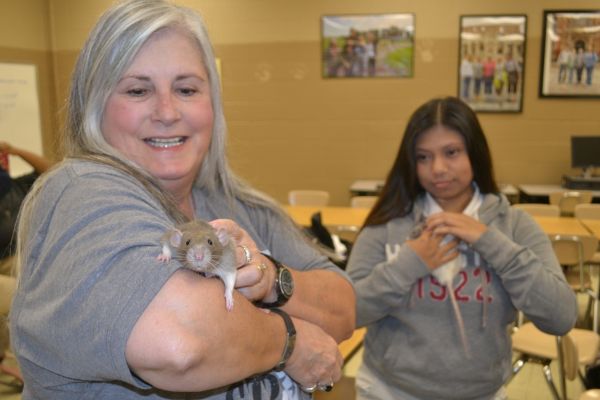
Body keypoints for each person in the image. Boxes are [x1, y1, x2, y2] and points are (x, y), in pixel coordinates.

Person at [9, 0, 356, 399]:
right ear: (94, 105)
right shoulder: (79, 191)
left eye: (186, 89)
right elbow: (180, 344)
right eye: (138, 90)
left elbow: (344, 309)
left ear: (212, 103)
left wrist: (268, 280)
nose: (167, 111)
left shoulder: (238, 203)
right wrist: (290, 343)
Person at [346, 96, 577, 400]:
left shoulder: (514, 226)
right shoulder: (389, 223)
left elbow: (561, 316)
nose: (438, 168)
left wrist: (490, 242)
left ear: (475, 153)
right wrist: (408, 265)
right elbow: (348, 313)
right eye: (423, 157)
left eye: (451, 152)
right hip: (388, 391)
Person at [0, 141, 53, 271]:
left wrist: (16, 151)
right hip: (12, 262)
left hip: (39, 250)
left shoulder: (17, 187)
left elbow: (52, 171)